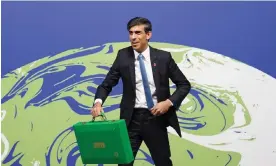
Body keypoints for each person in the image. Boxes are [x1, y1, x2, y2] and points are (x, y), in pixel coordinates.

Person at [91, 17, 191, 166]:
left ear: (148, 35)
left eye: (138, 33)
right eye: (130, 33)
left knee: (163, 162)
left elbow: (184, 84)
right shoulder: (123, 56)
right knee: (124, 163)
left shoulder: (164, 57)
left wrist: (168, 103)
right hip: (131, 120)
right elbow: (106, 84)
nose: (133, 37)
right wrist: (98, 103)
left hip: (155, 118)